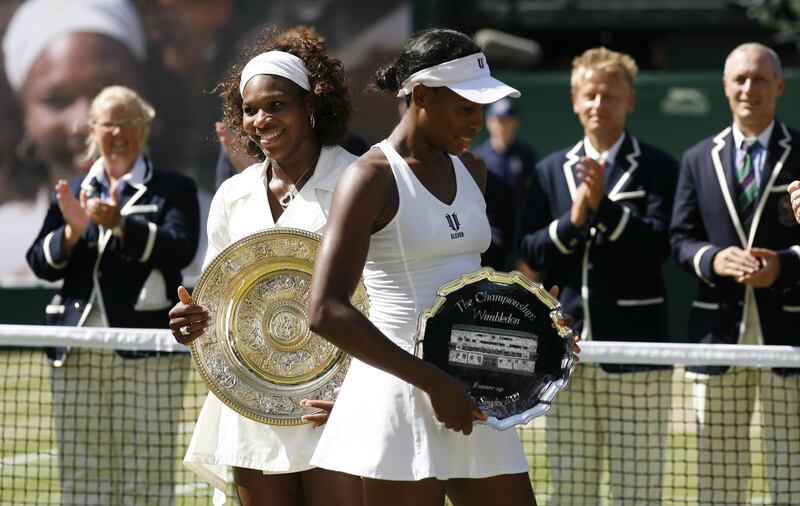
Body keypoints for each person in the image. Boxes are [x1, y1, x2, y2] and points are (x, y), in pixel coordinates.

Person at [307, 28, 578, 506]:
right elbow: (325, 310)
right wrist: (435, 383)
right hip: (399, 395)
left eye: (481, 109)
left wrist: (538, 334)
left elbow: (472, 292)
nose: (478, 121)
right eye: (465, 108)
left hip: (471, 389)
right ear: (422, 97)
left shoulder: (473, 169)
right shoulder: (368, 179)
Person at [167, 26, 364, 506]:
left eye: (277, 105)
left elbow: (383, 295)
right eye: (251, 109)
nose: (261, 119)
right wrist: (192, 323)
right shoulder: (233, 195)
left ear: (312, 106)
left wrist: (357, 395)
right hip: (254, 409)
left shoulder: (360, 180)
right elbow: (216, 298)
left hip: (336, 408)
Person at [517, 47, 678, 505]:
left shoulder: (658, 167)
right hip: (566, 354)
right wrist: (573, 220)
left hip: (637, 351)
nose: (598, 105)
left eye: (610, 96)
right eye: (590, 95)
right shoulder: (549, 170)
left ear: (630, 101)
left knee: (638, 485)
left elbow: (656, 248)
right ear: (573, 100)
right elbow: (531, 251)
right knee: (571, 487)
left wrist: (602, 207)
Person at [26, 85, 200, 505]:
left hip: (147, 348)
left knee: (147, 466)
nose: (118, 133)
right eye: (109, 124)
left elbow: (180, 247)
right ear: (93, 129)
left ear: (144, 128)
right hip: (78, 348)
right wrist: (71, 232)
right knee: (83, 468)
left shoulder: (173, 188)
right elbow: (39, 261)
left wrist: (122, 224)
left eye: (128, 123)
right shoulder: (71, 189)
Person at [670, 42, 800, 505]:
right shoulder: (697, 158)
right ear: (725, 86)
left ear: (779, 86)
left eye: (760, 78)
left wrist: (785, 266)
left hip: (789, 331)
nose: (750, 88)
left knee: (793, 468)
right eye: (740, 79)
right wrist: (713, 259)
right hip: (717, 333)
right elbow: (681, 238)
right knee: (718, 472)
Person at [1, 0, 147, 284]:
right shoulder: (4, 243)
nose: (85, 121)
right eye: (57, 101)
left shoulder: (206, 226)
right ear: (24, 114)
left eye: (105, 91)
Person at [475, 97, 537, 270]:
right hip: (488, 243)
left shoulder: (526, 156)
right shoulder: (479, 159)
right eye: (499, 120)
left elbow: (531, 202)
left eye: (508, 120)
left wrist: (527, 253)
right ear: (489, 122)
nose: (503, 125)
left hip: (520, 242)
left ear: (515, 122)